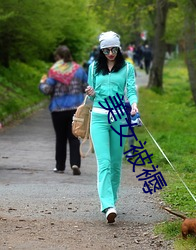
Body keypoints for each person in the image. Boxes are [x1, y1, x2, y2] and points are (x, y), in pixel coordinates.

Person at [85, 31, 138, 223]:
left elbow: (131, 90)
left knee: (116, 163)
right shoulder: (93, 68)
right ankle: (107, 205)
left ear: (119, 48)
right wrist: (90, 92)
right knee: (104, 162)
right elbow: (91, 97)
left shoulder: (127, 68)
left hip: (119, 119)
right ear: (101, 50)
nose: (110, 53)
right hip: (98, 118)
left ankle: (112, 201)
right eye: (106, 50)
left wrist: (133, 104)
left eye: (114, 49)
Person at [39, 45, 88, 175]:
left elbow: (47, 90)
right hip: (75, 109)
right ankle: (75, 163)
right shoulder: (79, 69)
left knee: (60, 138)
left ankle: (60, 166)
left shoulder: (54, 71)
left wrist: (42, 83)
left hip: (58, 109)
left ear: (58, 57)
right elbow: (86, 87)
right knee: (74, 137)